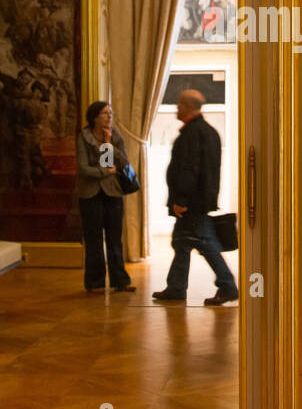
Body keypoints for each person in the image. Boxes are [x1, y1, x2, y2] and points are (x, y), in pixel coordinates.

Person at [153, 90, 238, 305]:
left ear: (188, 106)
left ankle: (228, 286)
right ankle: (176, 287)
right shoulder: (208, 131)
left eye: (180, 104)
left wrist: (181, 200)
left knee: (206, 244)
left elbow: (189, 169)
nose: (176, 107)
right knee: (181, 242)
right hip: (200, 200)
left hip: (192, 202)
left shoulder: (192, 133)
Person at [76, 101, 135, 294]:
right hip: (90, 194)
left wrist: (109, 144)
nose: (109, 116)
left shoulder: (115, 135)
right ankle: (95, 282)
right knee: (93, 240)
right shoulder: (84, 137)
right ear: (94, 117)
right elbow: (84, 169)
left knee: (114, 239)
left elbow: (122, 162)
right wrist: (105, 172)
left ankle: (120, 281)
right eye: (104, 113)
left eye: (111, 113)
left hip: (113, 193)